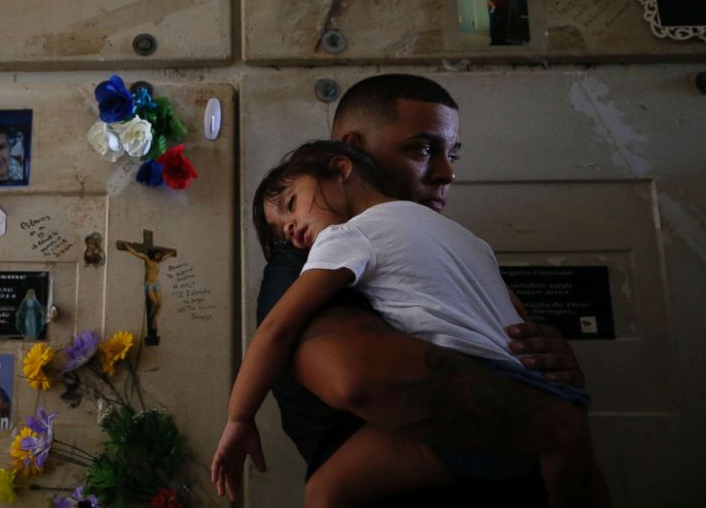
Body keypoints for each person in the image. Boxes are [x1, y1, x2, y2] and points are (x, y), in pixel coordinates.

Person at [247, 75, 587, 506]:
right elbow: (357, 377)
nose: (447, 172)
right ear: (350, 152)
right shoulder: (310, 258)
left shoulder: (451, 250)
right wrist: (552, 417)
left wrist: (548, 365)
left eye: (452, 153)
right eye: (422, 150)